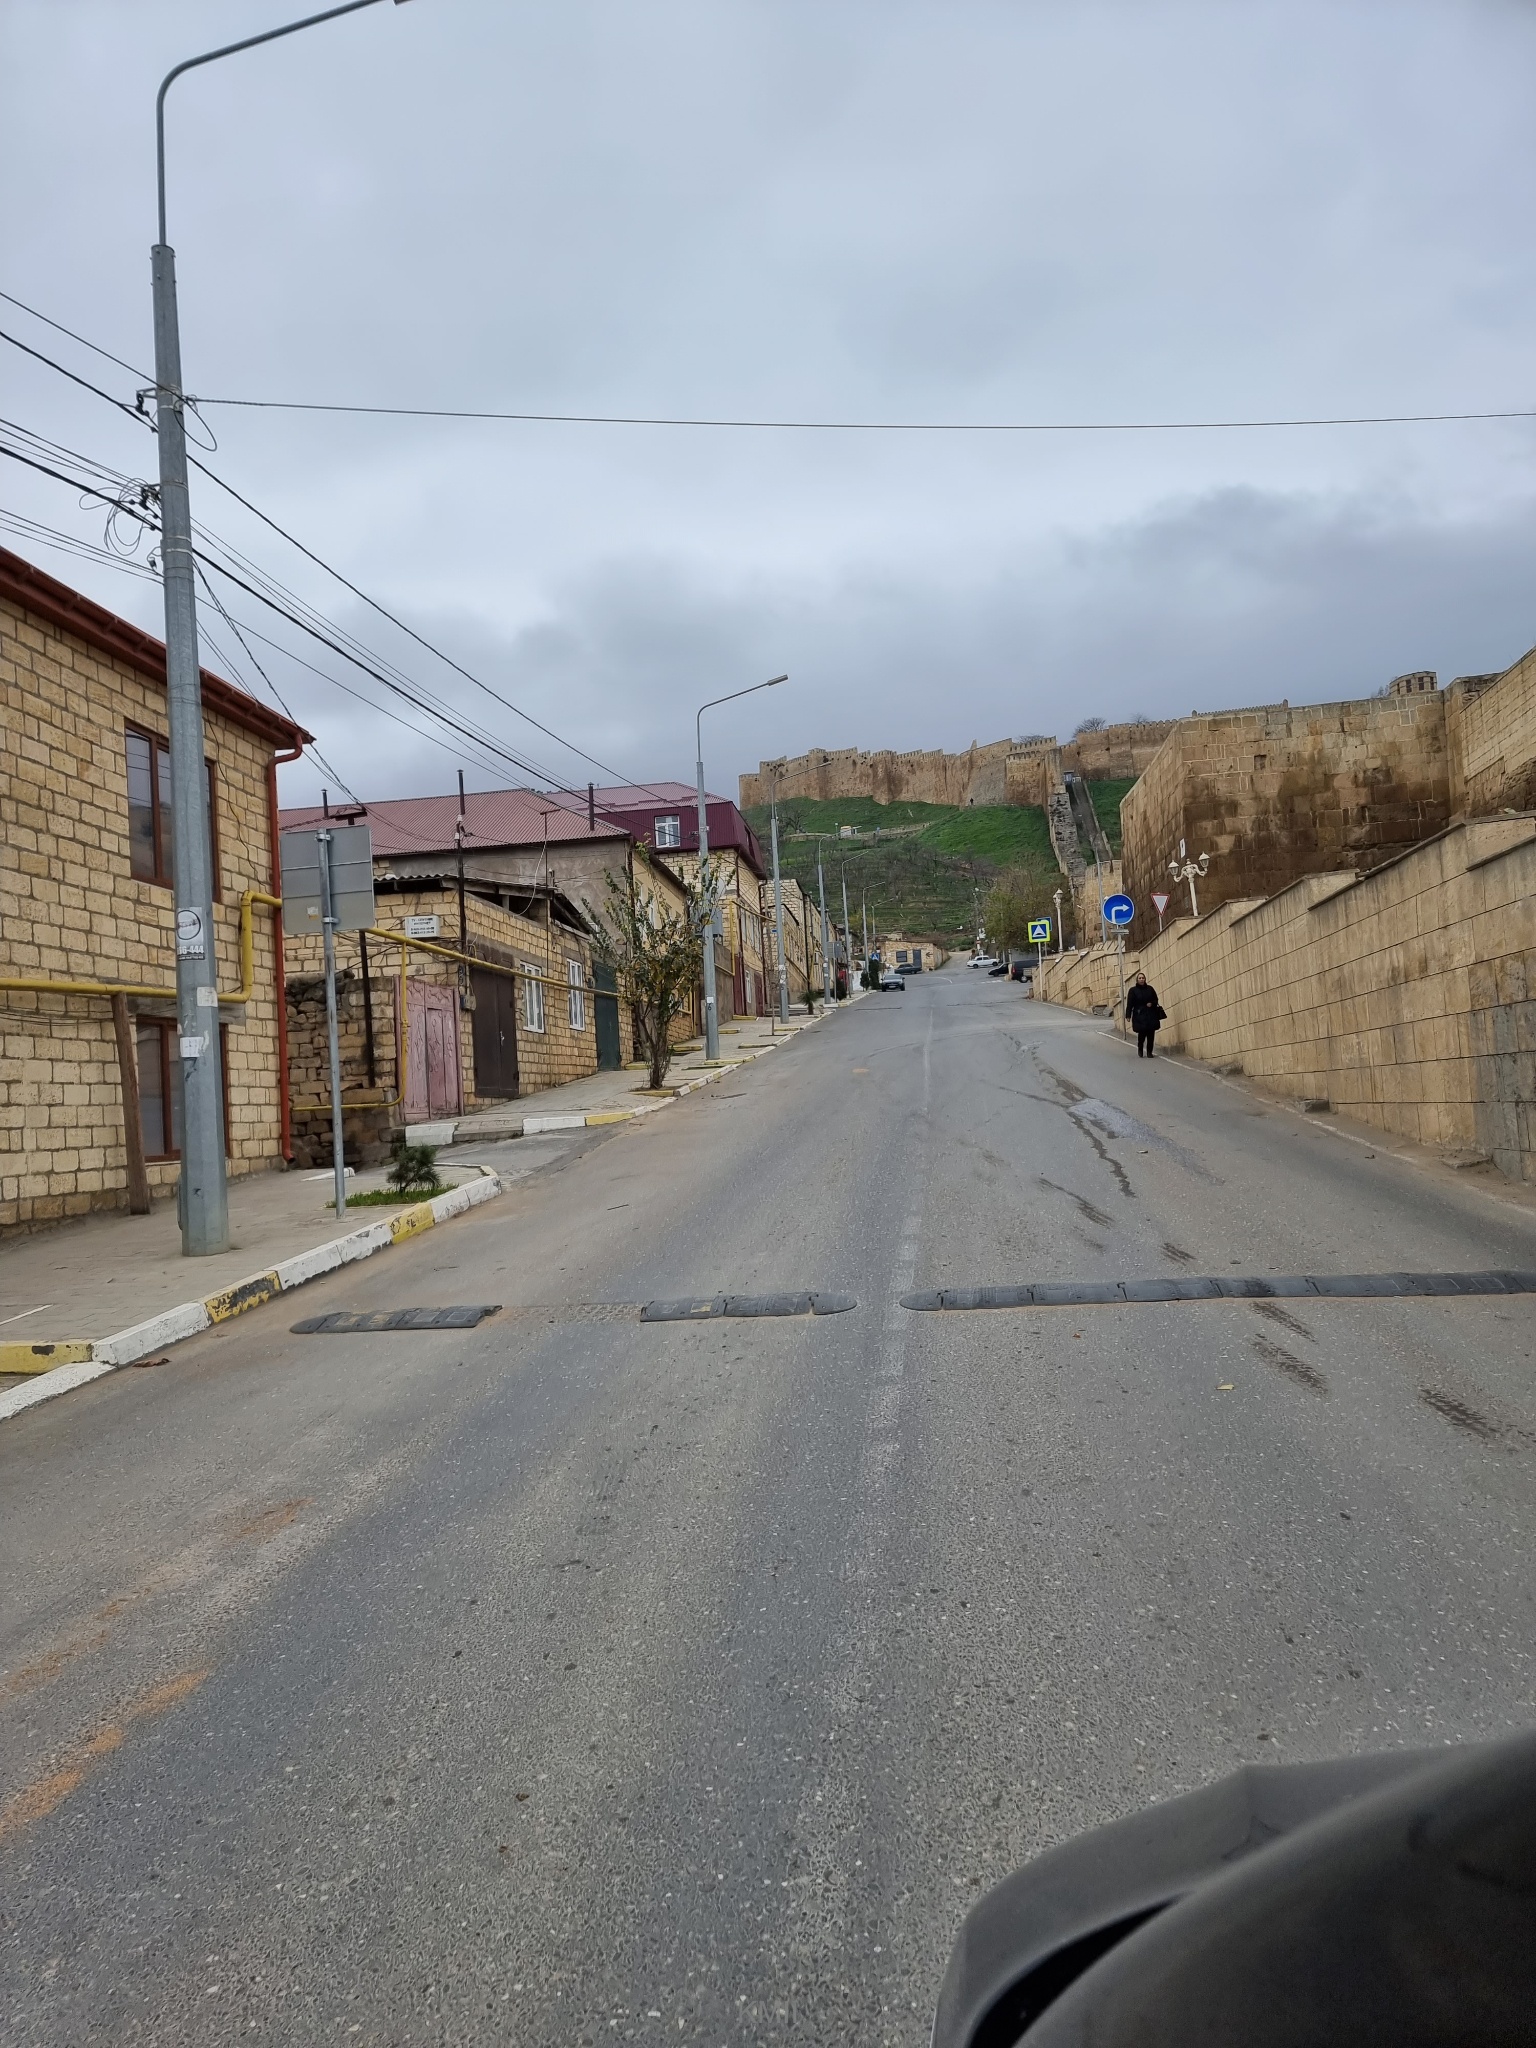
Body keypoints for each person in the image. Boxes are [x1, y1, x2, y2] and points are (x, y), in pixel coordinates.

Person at [1125, 971, 1164, 1057]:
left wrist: (1152, 1003)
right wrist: (1128, 1015)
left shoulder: (1150, 989)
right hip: (1139, 1015)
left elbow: (1156, 999)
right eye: (1140, 978)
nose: (1141, 979)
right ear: (1137, 980)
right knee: (1142, 1033)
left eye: (1143, 978)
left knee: (1151, 1034)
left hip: (1151, 1014)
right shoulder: (1133, 990)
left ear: (1145, 979)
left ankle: (1149, 1052)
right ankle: (1140, 1048)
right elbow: (1130, 1004)